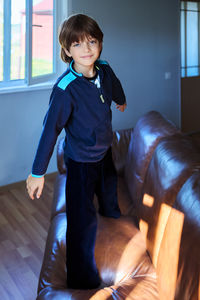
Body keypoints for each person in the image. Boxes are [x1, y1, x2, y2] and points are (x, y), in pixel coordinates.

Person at [26, 13, 127, 289]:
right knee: (81, 221)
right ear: (67, 50)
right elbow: (50, 131)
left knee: (109, 191)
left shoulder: (104, 69)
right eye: (78, 44)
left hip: (104, 150)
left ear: (100, 43)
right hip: (80, 161)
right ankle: (81, 278)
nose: (87, 49)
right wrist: (37, 172)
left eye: (92, 41)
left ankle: (111, 214)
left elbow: (114, 85)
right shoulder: (65, 89)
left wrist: (120, 100)